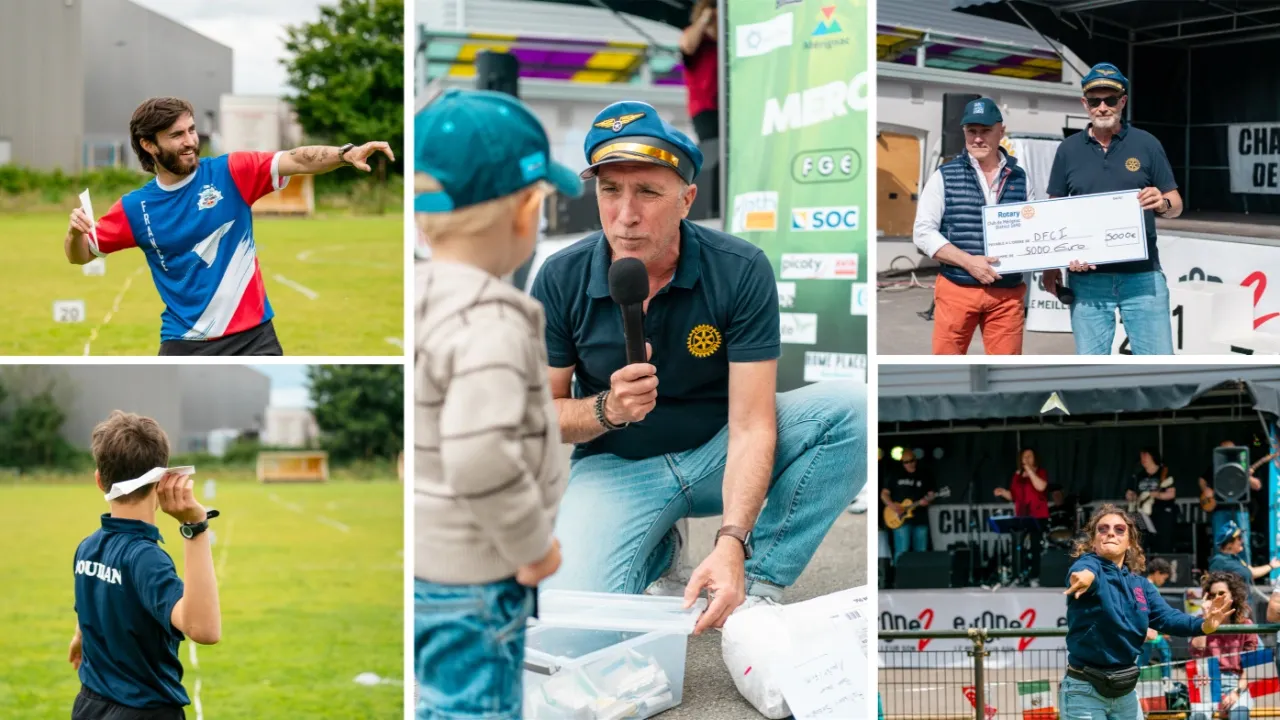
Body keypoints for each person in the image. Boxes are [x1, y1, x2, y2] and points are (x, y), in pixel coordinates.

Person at [529, 100, 864, 632]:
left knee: (855, 410)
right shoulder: (560, 277)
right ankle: (659, 553)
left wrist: (733, 541)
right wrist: (608, 409)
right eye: (610, 190)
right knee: (572, 628)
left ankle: (756, 586)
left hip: (717, 449)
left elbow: (754, 423)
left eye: (648, 192)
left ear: (686, 199)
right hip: (617, 466)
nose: (626, 214)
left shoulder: (739, 268)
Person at [413, 88, 584, 720]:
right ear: (525, 213)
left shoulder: (419, 300)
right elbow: (481, 455)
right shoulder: (492, 321)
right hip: (477, 580)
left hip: (430, 570)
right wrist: (534, 547)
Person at [64, 96, 394, 356]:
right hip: (184, 343)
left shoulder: (231, 171)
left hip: (256, 337)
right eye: (176, 135)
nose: (189, 141)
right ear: (149, 144)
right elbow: (80, 257)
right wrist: (75, 233)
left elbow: (297, 158)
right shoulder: (135, 208)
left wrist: (345, 153)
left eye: (192, 130)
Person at [70, 411, 221, 720]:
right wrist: (194, 528)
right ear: (161, 480)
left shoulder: (87, 546)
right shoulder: (145, 558)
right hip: (145, 711)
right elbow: (204, 629)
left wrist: (79, 636)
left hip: (88, 707)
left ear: (99, 480)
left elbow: (95, 598)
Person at [1042, 63, 1184, 355]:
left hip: (1143, 278)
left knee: (1158, 367)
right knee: (1092, 372)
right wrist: (1053, 263)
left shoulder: (1147, 144)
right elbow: (1054, 212)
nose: (1102, 107)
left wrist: (1162, 203)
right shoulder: (1068, 150)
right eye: (1095, 101)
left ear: (1123, 101)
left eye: (1110, 99)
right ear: (1085, 104)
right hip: (1087, 281)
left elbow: (1176, 204)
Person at [1061, 505, 1232, 720]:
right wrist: (1083, 576)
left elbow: (1168, 618)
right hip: (1085, 691)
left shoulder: (1140, 585)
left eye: (1119, 529)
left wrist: (1204, 625)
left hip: (1125, 692)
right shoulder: (1088, 565)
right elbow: (1084, 571)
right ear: (1093, 542)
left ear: (1130, 542)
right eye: (1102, 529)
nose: (1111, 533)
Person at [913, 97, 1031, 355]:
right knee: (947, 370)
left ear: (1002, 131)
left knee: (1006, 373)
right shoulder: (944, 176)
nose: (978, 138)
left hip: (1006, 294)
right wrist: (969, 262)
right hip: (957, 289)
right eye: (971, 131)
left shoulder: (1021, 178)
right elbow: (922, 233)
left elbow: (1034, 231)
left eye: (986, 131)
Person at [1189, 571, 1258, 720]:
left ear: (1233, 595)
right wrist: (1206, 620)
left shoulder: (1246, 625)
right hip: (1207, 682)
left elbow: (1251, 669)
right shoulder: (1200, 621)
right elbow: (1197, 652)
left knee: (1239, 714)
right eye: (1212, 595)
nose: (1217, 599)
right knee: (1198, 717)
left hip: (1237, 683)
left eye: (1222, 593)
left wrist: (1236, 693)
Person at [1200, 440, 1264, 565]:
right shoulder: (1216, 465)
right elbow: (1202, 479)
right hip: (1220, 508)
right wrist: (1206, 489)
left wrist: (1246, 475)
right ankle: (1221, 574)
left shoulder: (1243, 464)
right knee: (1219, 542)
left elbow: (1257, 485)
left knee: (1242, 542)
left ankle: (1244, 573)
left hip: (1240, 508)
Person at [995, 447, 1049, 581]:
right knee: (1017, 544)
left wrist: (1030, 471)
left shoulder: (1040, 472)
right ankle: (1018, 573)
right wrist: (1003, 492)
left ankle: (1035, 574)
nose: (1027, 459)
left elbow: (1041, 487)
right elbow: (1013, 496)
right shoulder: (1017, 476)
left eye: (1030, 456)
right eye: (1024, 456)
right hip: (1021, 516)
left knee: (1035, 545)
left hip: (1038, 515)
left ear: (1035, 458)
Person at [881, 449, 936, 564]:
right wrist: (893, 506)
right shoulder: (895, 474)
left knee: (921, 551)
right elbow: (884, 494)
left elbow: (931, 494)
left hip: (920, 518)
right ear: (902, 463)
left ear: (915, 460)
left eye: (911, 461)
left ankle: (919, 577)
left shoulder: (924, 475)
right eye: (906, 462)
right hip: (900, 517)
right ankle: (898, 579)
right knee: (901, 550)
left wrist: (928, 501)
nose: (909, 464)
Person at [679, 0, 719, 145]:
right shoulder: (699, 40)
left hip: (729, 105)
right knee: (713, 147)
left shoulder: (725, 41)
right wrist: (704, 19)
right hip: (706, 107)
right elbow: (687, 45)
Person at [1128, 447, 1177, 554]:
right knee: (1140, 539)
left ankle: (1161, 564)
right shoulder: (1139, 475)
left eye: (1146, 456)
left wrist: (1156, 494)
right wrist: (1131, 496)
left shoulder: (1163, 473)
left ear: (1153, 457)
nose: (1143, 459)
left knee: (1162, 542)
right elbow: (1130, 492)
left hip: (1161, 513)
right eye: (1141, 456)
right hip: (1141, 514)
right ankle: (1141, 564)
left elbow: (1171, 493)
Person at [1209, 520, 1280, 588]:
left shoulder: (1236, 558)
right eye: (1239, 538)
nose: (1242, 540)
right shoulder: (1218, 561)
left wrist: (1271, 566)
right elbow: (1214, 586)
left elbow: (1252, 572)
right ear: (1229, 544)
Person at [1137, 558, 1173, 679]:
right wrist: (1163, 629)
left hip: (1150, 631)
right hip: (1152, 632)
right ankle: (1166, 681)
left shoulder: (1143, 585)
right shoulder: (1150, 588)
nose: (1163, 581)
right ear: (1157, 573)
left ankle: (1135, 682)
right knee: (1164, 655)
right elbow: (1154, 611)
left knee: (1145, 659)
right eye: (1164, 577)